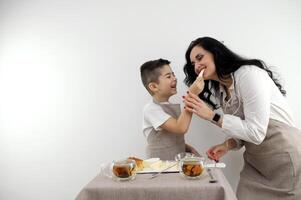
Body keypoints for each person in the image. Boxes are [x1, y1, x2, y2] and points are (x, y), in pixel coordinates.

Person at [182, 37, 301, 199]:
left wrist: (212, 116)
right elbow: (244, 128)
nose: (196, 66)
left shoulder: (248, 75)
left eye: (200, 58)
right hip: (256, 162)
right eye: (192, 64)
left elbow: (256, 132)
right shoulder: (220, 90)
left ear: (216, 53)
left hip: (283, 156)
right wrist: (228, 144)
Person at [140, 58, 199, 160]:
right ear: (154, 86)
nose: (174, 78)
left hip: (175, 164)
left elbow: (171, 137)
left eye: (173, 74)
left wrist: (185, 147)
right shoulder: (151, 109)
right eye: (168, 76)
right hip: (159, 167)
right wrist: (192, 94)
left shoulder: (169, 107)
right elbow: (180, 128)